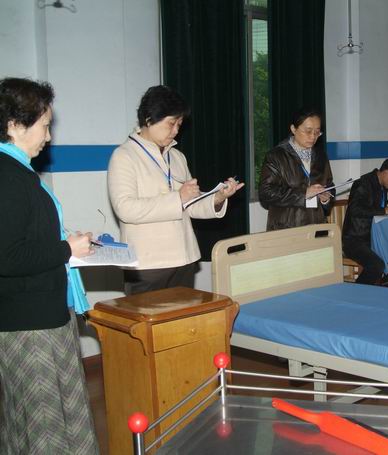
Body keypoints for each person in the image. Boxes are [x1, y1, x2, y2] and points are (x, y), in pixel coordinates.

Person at [0, 77, 99, 453]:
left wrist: (67, 243)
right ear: (14, 125)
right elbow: (7, 256)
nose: (49, 136)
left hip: (42, 314)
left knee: (57, 415)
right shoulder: (7, 178)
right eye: (44, 125)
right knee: (44, 424)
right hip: (29, 325)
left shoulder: (18, 171)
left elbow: (27, 236)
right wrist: (65, 249)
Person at [108, 85, 243, 295]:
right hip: (148, 264)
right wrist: (177, 198)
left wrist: (217, 197)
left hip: (183, 258)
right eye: (171, 124)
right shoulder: (124, 156)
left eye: (179, 124)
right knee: (147, 316)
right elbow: (125, 208)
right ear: (149, 119)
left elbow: (190, 205)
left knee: (184, 316)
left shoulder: (177, 157)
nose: (176, 131)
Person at [259, 107, 334, 231]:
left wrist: (326, 198)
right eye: (308, 131)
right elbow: (266, 193)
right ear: (293, 129)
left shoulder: (321, 156)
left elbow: (329, 185)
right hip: (286, 228)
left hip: (317, 226)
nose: (313, 136)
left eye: (317, 132)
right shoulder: (276, 156)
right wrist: (303, 194)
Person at [342, 158, 388, 285]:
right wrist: (385, 210)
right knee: (377, 265)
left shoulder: (382, 187)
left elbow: (376, 210)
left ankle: (379, 291)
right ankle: (356, 293)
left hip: (373, 238)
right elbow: (355, 209)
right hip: (354, 240)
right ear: (386, 172)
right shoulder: (363, 183)